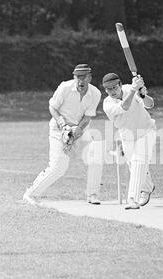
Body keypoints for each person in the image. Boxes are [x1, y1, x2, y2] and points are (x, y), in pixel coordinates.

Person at [23, 64, 104, 204]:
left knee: (96, 153)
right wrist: (63, 126)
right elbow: (53, 107)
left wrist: (75, 134)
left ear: (90, 78)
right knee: (59, 165)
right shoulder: (65, 88)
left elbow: (87, 117)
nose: (81, 81)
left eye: (84, 77)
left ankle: (93, 195)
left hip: (80, 130)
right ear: (74, 77)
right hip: (58, 129)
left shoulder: (95, 93)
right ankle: (31, 194)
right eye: (78, 77)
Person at [102, 73, 156, 210]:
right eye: (108, 89)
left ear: (120, 85)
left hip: (146, 130)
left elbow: (150, 104)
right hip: (127, 136)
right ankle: (148, 188)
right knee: (135, 166)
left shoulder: (129, 88)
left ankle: (132, 199)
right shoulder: (107, 104)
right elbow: (124, 106)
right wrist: (134, 89)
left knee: (139, 161)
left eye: (114, 87)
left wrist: (143, 94)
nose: (112, 91)